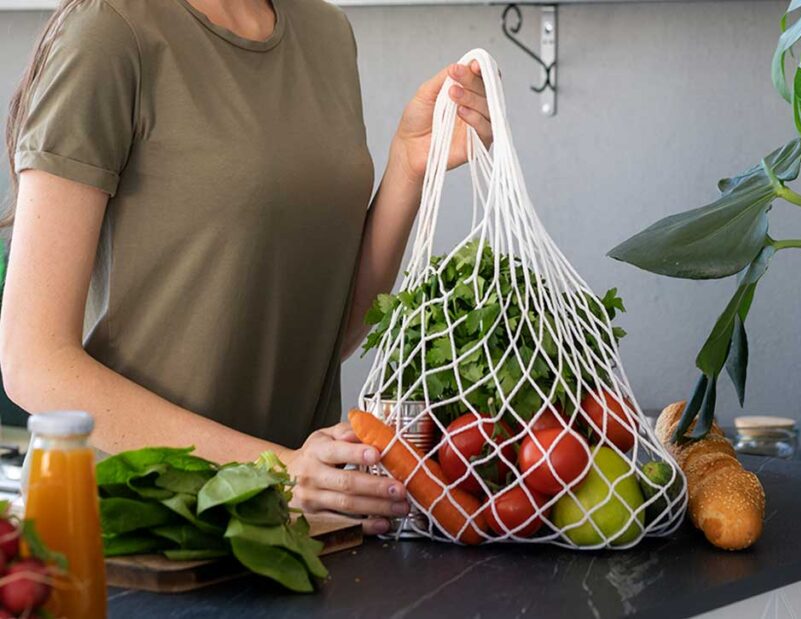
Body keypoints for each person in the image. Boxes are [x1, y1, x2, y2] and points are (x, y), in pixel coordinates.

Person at [0, 0, 493, 535]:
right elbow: (34, 363)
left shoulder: (326, 31)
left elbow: (329, 329)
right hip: (128, 532)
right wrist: (274, 469)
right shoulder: (110, 30)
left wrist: (408, 165)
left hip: (280, 533)